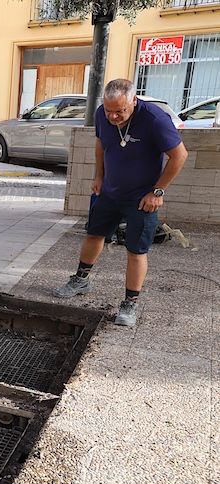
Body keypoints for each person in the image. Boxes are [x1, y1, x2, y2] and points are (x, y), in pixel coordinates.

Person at [54, 79, 188, 326]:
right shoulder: (102, 114)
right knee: (94, 234)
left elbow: (179, 156)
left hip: (142, 198)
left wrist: (157, 192)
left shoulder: (155, 120)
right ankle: (81, 280)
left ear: (133, 101)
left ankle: (130, 304)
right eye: (109, 111)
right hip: (109, 191)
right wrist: (99, 176)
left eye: (120, 111)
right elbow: (100, 145)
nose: (113, 116)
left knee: (136, 250)